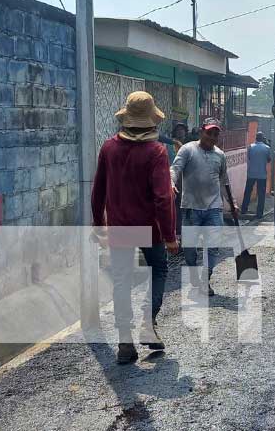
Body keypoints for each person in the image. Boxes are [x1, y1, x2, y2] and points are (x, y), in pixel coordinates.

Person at [91, 91, 179, 364]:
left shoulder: (108, 147)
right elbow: (163, 198)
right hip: (150, 228)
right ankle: (147, 325)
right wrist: (170, 236)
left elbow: (98, 191)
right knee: (159, 269)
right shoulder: (157, 152)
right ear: (151, 120)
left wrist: (99, 224)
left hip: (119, 227)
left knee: (121, 281)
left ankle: (125, 344)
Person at [171, 118, 238, 297]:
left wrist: (232, 204)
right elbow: (175, 168)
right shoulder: (188, 149)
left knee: (213, 247)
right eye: (209, 133)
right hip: (191, 208)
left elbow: (224, 181)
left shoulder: (220, 155)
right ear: (202, 132)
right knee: (189, 249)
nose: (212, 137)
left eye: (216, 134)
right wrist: (170, 182)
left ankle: (205, 280)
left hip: (214, 209)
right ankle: (193, 272)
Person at [241, 131, 273, 219]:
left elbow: (249, 157)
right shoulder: (267, 148)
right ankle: (259, 214)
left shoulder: (251, 147)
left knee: (247, 192)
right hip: (262, 175)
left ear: (256, 138)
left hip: (251, 174)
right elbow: (269, 160)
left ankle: (243, 210)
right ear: (263, 139)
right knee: (261, 194)